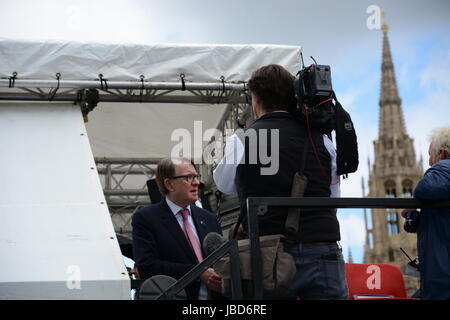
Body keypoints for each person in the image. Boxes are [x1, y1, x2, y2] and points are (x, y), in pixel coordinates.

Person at [213, 64, 347, 299]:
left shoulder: (243, 140)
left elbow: (224, 185)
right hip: (322, 248)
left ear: (256, 101)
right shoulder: (323, 140)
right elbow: (333, 197)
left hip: (269, 255)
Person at [132, 157, 223, 300]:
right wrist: (198, 273)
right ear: (169, 184)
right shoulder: (146, 219)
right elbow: (147, 266)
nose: (197, 182)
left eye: (196, 176)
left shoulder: (209, 218)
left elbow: (222, 260)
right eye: (188, 177)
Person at [402, 127, 450, 300]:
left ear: (442, 153)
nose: (429, 163)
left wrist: (414, 201)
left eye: (431, 155)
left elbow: (427, 187)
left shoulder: (443, 170)